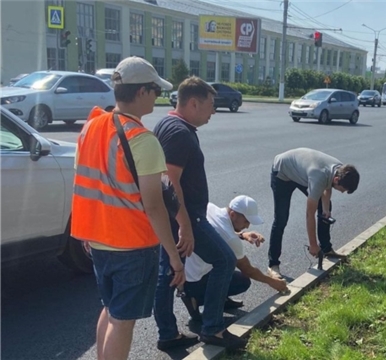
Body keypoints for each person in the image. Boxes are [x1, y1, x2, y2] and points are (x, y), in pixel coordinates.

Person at [71, 56, 189, 360]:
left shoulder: (92, 125)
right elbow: (154, 206)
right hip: (131, 245)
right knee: (123, 322)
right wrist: (174, 258)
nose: (157, 97)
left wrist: (87, 232)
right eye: (156, 90)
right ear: (141, 92)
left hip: (97, 240)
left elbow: (87, 184)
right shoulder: (143, 140)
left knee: (110, 310)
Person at [153, 76, 246, 349]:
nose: (213, 111)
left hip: (173, 216)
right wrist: (186, 225)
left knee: (167, 273)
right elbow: (170, 181)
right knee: (225, 260)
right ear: (193, 103)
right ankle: (213, 328)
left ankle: (168, 334)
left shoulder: (169, 124)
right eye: (210, 104)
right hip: (185, 217)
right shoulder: (180, 133)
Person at [182, 195, 289, 321]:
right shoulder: (231, 239)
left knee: (224, 267)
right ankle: (196, 299)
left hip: (184, 271)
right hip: (196, 280)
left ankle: (220, 300)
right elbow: (248, 269)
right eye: (246, 221)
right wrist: (272, 282)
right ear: (232, 214)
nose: (248, 226)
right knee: (242, 280)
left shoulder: (210, 208)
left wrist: (242, 235)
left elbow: (218, 231)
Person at [268, 147, 360, 279]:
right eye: (343, 189)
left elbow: (327, 188)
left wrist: (326, 209)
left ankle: (327, 249)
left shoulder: (339, 169)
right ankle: (273, 265)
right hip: (282, 172)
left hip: (302, 172)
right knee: (281, 219)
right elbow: (309, 214)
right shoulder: (319, 176)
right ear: (337, 180)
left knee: (324, 208)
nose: (343, 192)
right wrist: (312, 244)